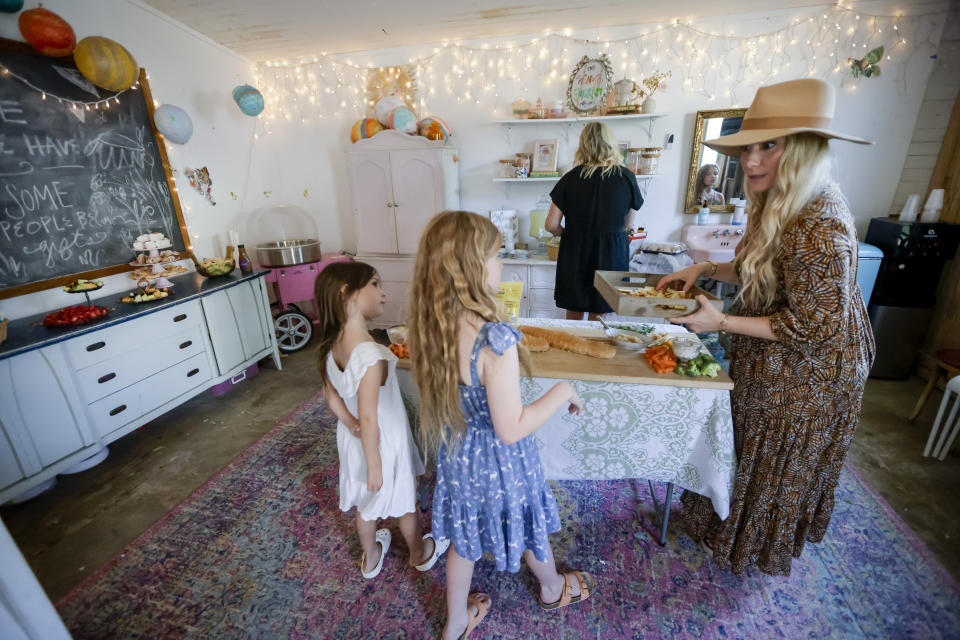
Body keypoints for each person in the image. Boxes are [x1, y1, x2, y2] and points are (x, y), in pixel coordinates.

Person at [657, 78, 876, 576]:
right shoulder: (777, 197)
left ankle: (751, 547)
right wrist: (706, 269)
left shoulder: (823, 225)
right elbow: (760, 267)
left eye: (769, 146)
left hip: (810, 375)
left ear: (803, 149)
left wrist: (723, 320)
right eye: (747, 148)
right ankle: (723, 523)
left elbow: (813, 327)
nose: (751, 161)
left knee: (772, 458)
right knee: (742, 438)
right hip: (773, 353)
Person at [409, 210, 595, 640]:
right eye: (496, 256)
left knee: (464, 537)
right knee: (526, 521)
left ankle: (456, 621)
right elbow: (511, 427)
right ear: (471, 267)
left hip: (460, 454)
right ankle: (551, 587)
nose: (502, 264)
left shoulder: (433, 325)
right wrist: (563, 389)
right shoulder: (496, 338)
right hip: (501, 459)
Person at [315, 261, 448, 580]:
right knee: (403, 500)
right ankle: (418, 552)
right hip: (382, 440)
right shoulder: (370, 356)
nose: (382, 291)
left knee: (366, 502)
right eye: (374, 284)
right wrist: (376, 463)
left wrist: (349, 424)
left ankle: (371, 555)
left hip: (354, 439)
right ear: (348, 293)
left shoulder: (332, 344)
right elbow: (371, 416)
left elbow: (330, 395)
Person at [545, 121, 643, 320]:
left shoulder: (570, 178)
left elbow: (551, 225)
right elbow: (628, 226)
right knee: (599, 314)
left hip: (576, 251)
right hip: (611, 253)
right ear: (610, 144)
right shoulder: (626, 177)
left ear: (584, 145)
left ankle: (572, 350)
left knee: (574, 312)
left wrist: (565, 233)